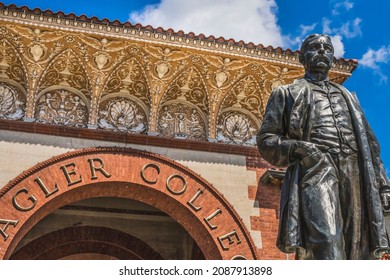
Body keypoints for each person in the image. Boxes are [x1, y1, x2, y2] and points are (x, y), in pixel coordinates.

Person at [256, 34, 390, 259]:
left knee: (359, 246)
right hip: (316, 170)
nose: (321, 52)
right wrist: (300, 149)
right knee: (326, 240)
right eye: (314, 48)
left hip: (355, 171)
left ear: (332, 57)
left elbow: (371, 146)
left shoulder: (350, 97)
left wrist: (384, 186)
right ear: (301, 57)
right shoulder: (287, 93)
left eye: (327, 48)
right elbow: (266, 139)